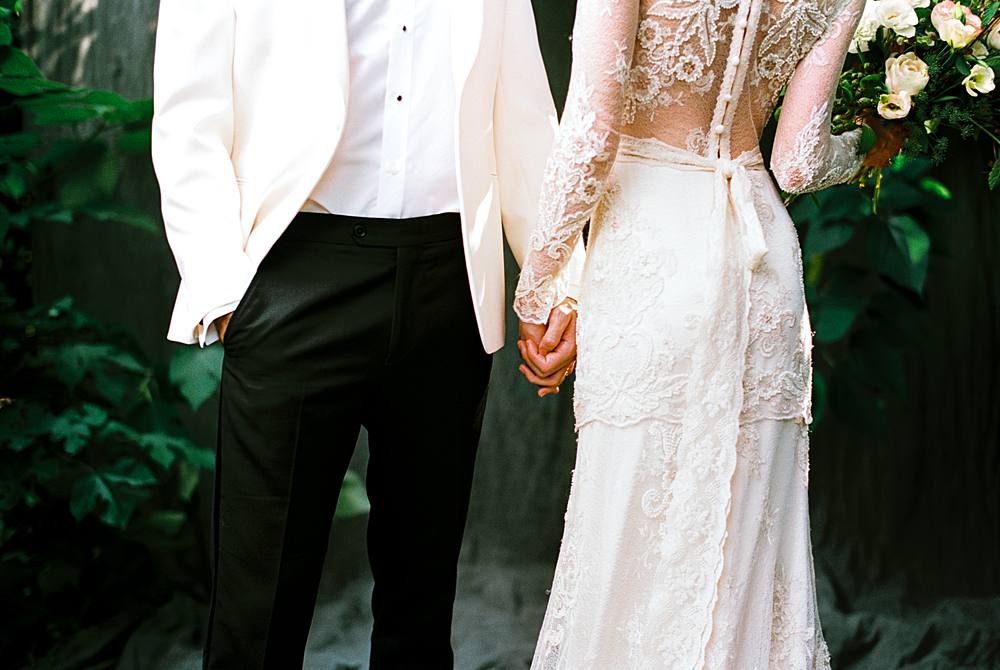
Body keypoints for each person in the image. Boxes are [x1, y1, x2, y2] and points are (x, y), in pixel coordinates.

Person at [151, 1, 580, 667]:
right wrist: (228, 291)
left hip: (448, 282)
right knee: (258, 612)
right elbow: (189, 115)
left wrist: (553, 285)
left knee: (421, 603)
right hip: (296, 273)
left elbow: (524, 117)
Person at [513, 0, 868, 666]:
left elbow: (591, 134)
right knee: (755, 538)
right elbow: (796, 166)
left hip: (654, 252)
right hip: (760, 262)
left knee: (625, 525)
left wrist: (540, 289)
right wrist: (869, 146)